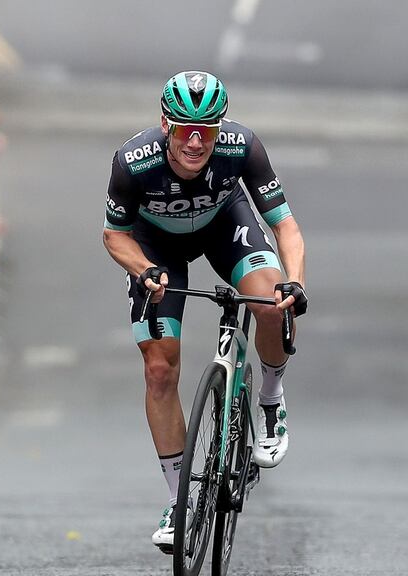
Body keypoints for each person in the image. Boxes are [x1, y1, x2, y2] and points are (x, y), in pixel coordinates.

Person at [101, 71, 308, 552]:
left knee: (271, 303)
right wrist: (145, 269)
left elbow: (287, 227)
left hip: (223, 224)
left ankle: (271, 399)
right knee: (158, 368)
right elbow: (114, 235)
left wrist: (294, 282)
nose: (196, 141)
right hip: (157, 246)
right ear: (164, 124)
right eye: (184, 128)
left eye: (208, 129)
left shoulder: (242, 147)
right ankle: (179, 504)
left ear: (220, 126)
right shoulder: (133, 162)